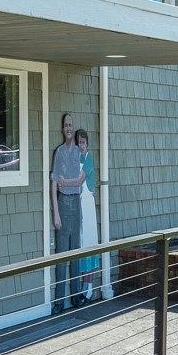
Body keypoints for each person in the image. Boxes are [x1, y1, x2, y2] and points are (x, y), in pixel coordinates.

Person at [50, 113, 85, 312]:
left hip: (76, 202)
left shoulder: (80, 152)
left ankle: (76, 296)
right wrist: (56, 212)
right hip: (63, 202)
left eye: (71, 125)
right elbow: (54, 182)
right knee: (62, 255)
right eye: (66, 125)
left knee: (76, 252)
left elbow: (82, 178)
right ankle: (59, 301)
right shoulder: (60, 152)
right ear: (62, 129)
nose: (69, 128)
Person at [76, 129, 100, 301]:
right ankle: (82, 285)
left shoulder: (88, 160)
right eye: (78, 143)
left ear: (87, 144)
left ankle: (89, 285)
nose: (81, 146)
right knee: (81, 242)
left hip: (87, 203)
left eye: (83, 143)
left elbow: (80, 179)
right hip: (77, 204)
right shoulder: (74, 158)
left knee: (89, 241)